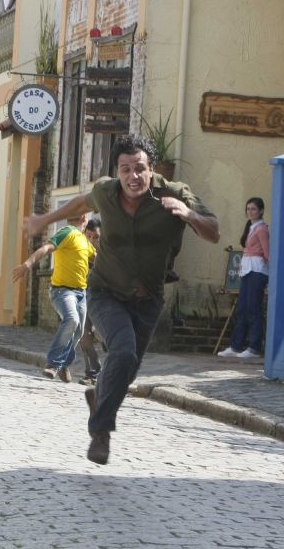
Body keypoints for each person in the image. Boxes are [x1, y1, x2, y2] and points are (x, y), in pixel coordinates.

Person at [23, 135, 219, 465]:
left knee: (125, 371)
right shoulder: (106, 191)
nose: (133, 177)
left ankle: (98, 396)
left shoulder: (175, 193)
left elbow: (213, 231)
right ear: (117, 171)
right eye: (125, 169)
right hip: (104, 292)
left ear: (151, 169)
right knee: (123, 351)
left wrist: (188, 214)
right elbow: (81, 204)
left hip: (148, 298)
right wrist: (44, 220)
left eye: (139, 168)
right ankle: (100, 432)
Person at [13, 212, 96, 382]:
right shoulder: (67, 232)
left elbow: (100, 259)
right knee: (72, 319)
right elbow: (46, 248)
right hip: (62, 291)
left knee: (79, 331)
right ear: (84, 218)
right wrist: (27, 264)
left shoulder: (84, 241)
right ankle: (53, 363)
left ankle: (63, 363)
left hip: (81, 293)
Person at [218, 197, 270, 359]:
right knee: (242, 309)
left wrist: (273, 274)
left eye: (253, 209)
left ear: (261, 211)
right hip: (248, 270)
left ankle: (254, 347)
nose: (250, 212)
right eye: (248, 209)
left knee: (253, 309)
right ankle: (235, 346)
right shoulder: (251, 227)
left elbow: (267, 252)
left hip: (257, 270)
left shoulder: (261, 229)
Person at [77, 217, 103, 386]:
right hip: (82, 294)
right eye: (89, 236)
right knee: (83, 334)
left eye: (96, 237)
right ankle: (92, 372)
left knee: (105, 336)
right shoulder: (81, 246)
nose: (92, 240)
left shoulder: (107, 251)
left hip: (103, 297)